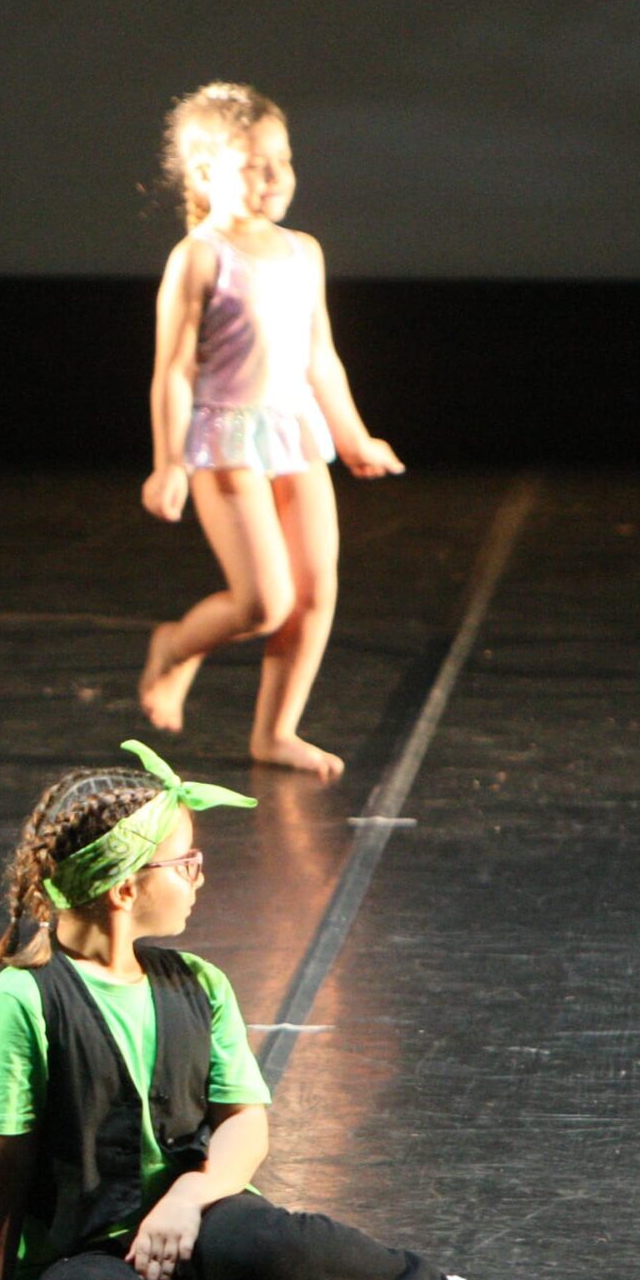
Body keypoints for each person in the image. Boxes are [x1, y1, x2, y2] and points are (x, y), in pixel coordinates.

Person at [0, 742, 544, 1280]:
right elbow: (3, 1163)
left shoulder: (198, 984)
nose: (199, 878)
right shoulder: (20, 1001)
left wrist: (190, 1194)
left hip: (199, 1221)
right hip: (81, 1254)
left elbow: (243, 1121)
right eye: (186, 863)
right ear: (125, 888)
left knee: (276, 1248)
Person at [135, 82, 404, 783]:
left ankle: (275, 732)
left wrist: (354, 437)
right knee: (263, 603)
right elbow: (173, 371)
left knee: (314, 594)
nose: (275, 177)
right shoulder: (200, 257)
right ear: (205, 174)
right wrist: (169, 463)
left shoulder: (303, 252)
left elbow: (320, 357)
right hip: (224, 441)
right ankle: (175, 646)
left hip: (294, 434)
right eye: (254, 165)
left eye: (282, 161)